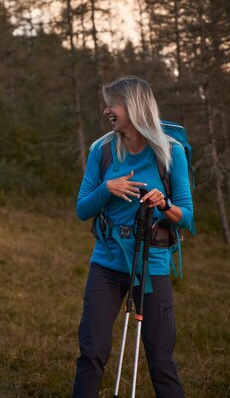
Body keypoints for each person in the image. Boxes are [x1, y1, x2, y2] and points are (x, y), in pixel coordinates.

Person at [72, 76, 193, 398]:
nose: (106, 110)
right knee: (92, 352)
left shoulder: (171, 152)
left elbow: (189, 216)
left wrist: (164, 204)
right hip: (107, 261)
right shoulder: (102, 149)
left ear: (134, 106)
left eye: (112, 104)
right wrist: (106, 189)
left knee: (161, 360)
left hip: (151, 264)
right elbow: (82, 209)